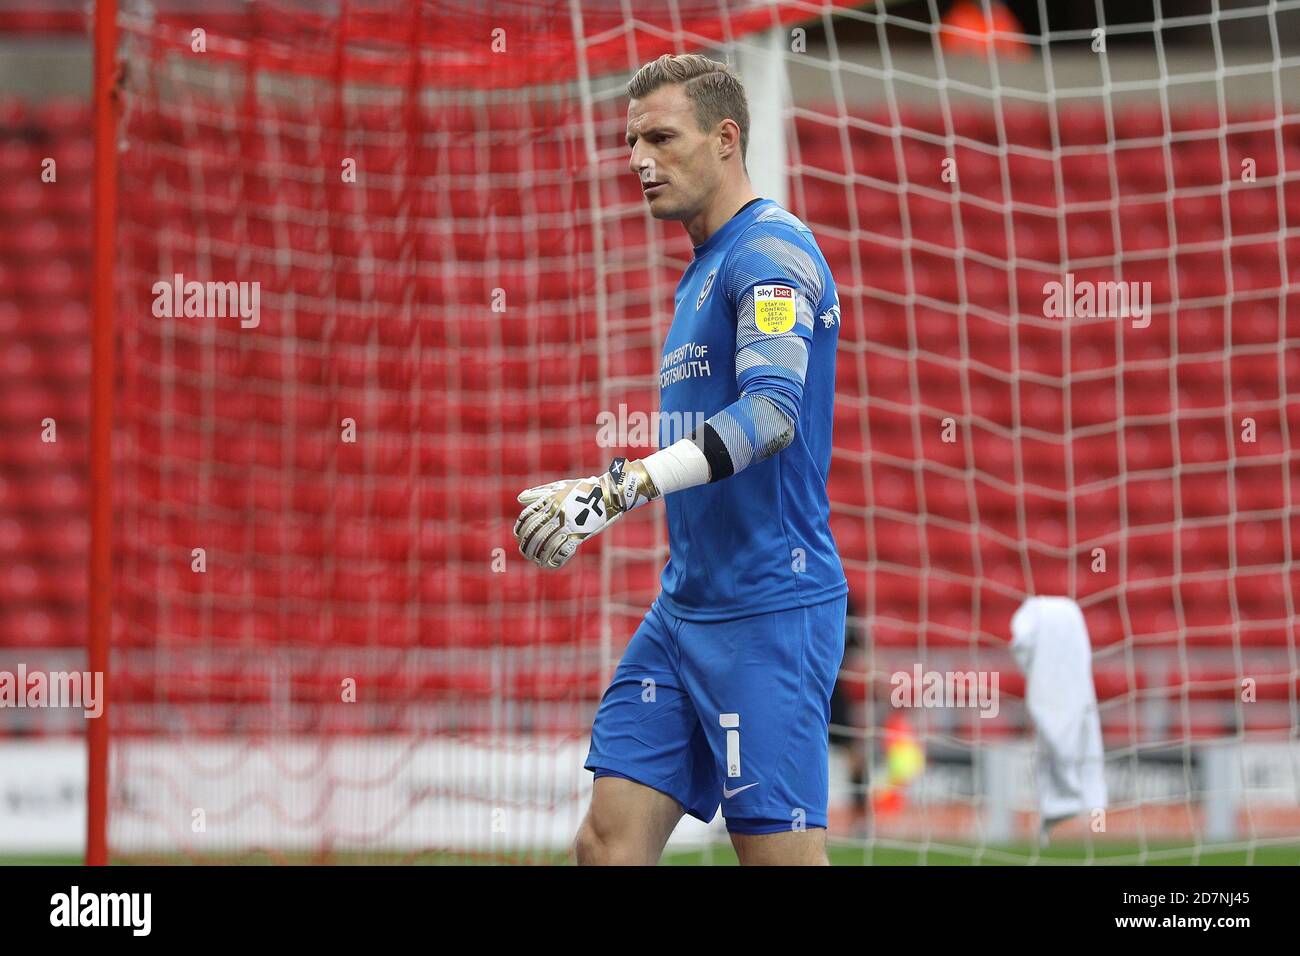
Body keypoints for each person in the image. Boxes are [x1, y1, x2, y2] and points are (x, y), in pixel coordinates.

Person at [513, 53, 846, 865]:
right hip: (684, 610)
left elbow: (770, 416)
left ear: (726, 138)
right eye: (632, 142)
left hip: (769, 612)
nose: (638, 160)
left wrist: (618, 487)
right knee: (604, 844)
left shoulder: (768, 254)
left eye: (661, 137)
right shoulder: (701, 270)